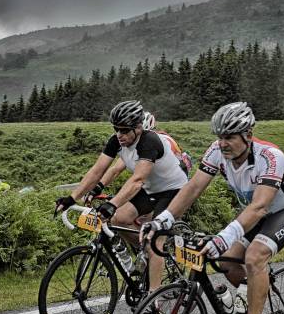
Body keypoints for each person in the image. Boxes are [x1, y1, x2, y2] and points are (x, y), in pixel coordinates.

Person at [143, 102, 284, 314]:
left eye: (230, 137)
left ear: (248, 136)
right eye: (220, 137)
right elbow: (193, 188)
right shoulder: (216, 152)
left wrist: (223, 237)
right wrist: (163, 219)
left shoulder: (270, 157)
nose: (222, 143)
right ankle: (250, 292)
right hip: (255, 210)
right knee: (224, 260)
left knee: (254, 257)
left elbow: (260, 208)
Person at [55, 101, 188, 291]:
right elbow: (97, 170)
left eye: (124, 130)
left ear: (138, 128)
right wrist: (72, 197)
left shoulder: (150, 141)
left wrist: (112, 203)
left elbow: (137, 180)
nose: (120, 135)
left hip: (174, 191)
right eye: (116, 129)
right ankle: (144, 250)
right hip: (151, 190)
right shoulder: (117, 141)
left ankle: (154, 297)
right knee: (118, 219)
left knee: (154, 241)